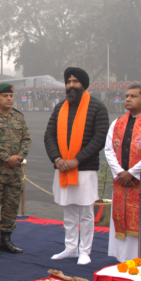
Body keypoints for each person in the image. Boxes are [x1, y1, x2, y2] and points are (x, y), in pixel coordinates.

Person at [43, 67, 109, 265]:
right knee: (68, 210)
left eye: (75, 82)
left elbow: (99, 138)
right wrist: (57, 159)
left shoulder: (97, 107)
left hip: (85, 168)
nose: (71, 85)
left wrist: (77, 160)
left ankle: (85, 251)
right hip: (63, 167)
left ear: (83, 84)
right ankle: (71, 248)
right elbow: (49, 135)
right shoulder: (60, 107)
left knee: (86, 213)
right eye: (69, 82)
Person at [104, 84, 141, 261]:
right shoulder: (117, 123)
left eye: (133, 96)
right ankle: (123, 258)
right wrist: (120, 173)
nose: (128, 99)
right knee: (121, 219)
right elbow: (109, 150)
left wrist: (133, 173)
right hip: (121, 182)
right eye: (126, 96)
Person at [0, 82, 31, 256]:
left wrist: (20, 157)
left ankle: (6, 239)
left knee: (11, 205)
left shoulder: (19, 117)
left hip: (14, 171)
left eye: (10, 96)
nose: (9, 98)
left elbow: (26, 139)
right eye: (4, 96)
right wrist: (7, 158)